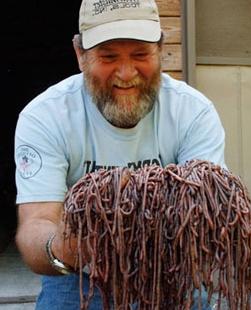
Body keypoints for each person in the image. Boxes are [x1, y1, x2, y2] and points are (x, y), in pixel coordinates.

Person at [14, 0, 226, 309]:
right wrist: (63, 247)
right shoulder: (46, 116)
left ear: (160, 49)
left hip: (172, 267)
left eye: (141, 54)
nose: (126, 74)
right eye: (108, 56)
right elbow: (37, 222)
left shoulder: (193, 112)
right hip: (81, 275)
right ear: (80, 54)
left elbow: (204, 206)